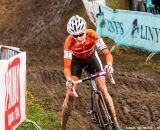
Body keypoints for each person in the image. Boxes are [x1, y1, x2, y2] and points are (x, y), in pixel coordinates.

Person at [60, 15, 122, 130]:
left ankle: (115, 121)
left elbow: (107, 54)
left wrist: (109, 65)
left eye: (81, 34)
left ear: (85, 31)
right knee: (69, 93)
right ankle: (63, 126)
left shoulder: (92, 34)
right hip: (76, 62)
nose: (78, 38)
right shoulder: (68, 42)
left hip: (92, 58)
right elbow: (67, 67)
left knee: (102, 88)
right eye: (75, 35)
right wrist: (69, 80)